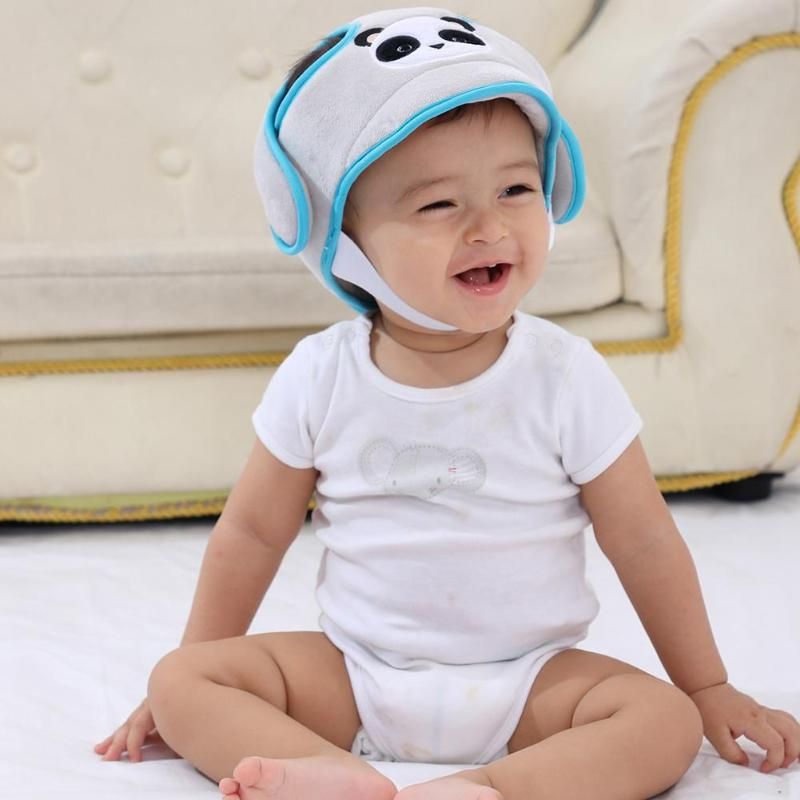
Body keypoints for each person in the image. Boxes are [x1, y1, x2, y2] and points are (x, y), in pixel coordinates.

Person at [95, 8, 800, 800]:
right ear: (339, 237)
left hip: (531, 682)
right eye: (438, 206)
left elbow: (642, 540)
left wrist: (706, 685)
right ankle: (339, 777)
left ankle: (484, 787)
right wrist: (190, 679)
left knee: (663, 721)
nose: (489, 227)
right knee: (181, 679)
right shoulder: (320, 375)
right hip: (354, 675)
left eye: (516, 188)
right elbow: (252, 534)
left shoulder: (564, 375)